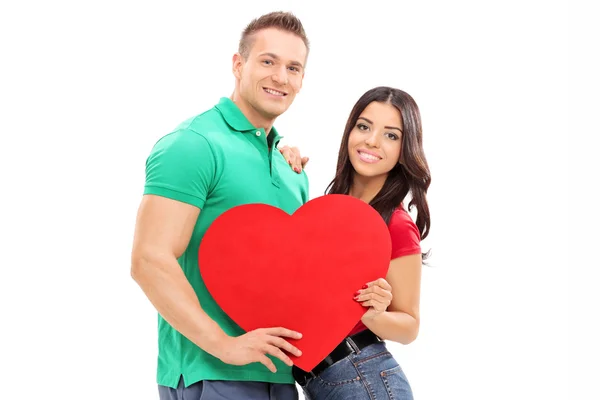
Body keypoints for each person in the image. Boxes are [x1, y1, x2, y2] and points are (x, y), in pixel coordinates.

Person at [130, 11, 312, 400]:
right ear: (238, 64)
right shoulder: (193, 143)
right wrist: (223, 344)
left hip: (281, 376)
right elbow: (149, 259)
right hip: (211, 373)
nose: (281, 77)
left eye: (293, 67)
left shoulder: (290, 165)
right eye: (268, 61)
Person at [282, 86, 431, 399]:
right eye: (364, 126)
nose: (372, 141)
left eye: (391, 135)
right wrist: (281, 157)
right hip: (321, 380)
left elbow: (409, 326)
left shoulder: (396, 224)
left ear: (405, 149)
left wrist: (371, 313)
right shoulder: (334, 204)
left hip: (363, 377)